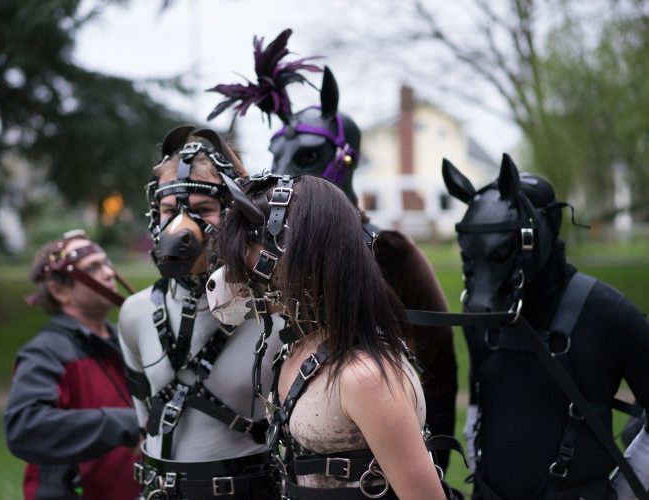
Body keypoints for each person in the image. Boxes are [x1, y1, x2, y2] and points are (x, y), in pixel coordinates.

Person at [208, 30, 458, 469]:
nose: (284, 177)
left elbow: (439, 364)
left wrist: (429, 457)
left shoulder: (389, 252)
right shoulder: (264, 253)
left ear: (345, 157)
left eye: (303, 160)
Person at [211, 172, 449, 499]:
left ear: (297, 254)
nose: (235, 268)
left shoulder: (366, 377)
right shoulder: (299, 347)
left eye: (246, 248)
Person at [443, 154, 649, 499]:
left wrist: (624, 489)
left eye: (500, 252)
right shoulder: (483, 316)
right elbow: (478, 404)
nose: (482, 290)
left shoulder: (607, 313)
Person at [118, 126, 283, 499]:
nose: (180, 226)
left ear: (235, 214)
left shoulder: (276, 314)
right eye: (168, 210)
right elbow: (147, 423)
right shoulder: (135, 313)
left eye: (203, 209)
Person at [4, 230, 140, 500]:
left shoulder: (129, 340)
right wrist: (126, 423)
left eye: (106, 263)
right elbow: (24, 427)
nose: (108, 273)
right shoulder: (44, 353)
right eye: (93, 267)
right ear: (59, 290)